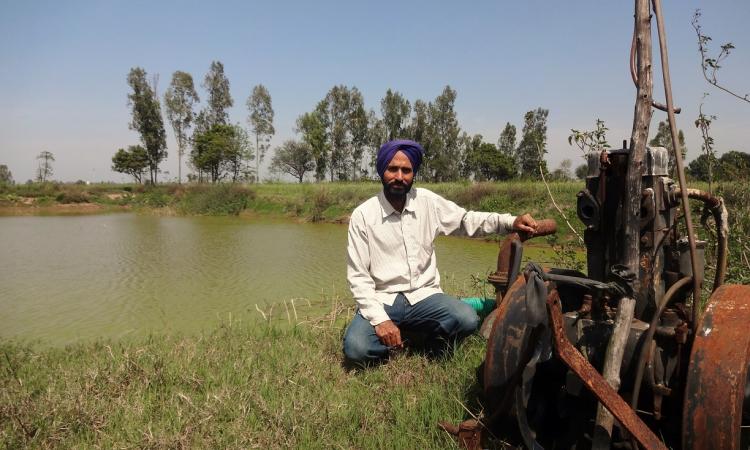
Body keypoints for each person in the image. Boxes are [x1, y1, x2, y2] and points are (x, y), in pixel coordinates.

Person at [343, 139, 538, 366]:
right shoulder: (363, 216)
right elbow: (358, 278)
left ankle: (425, 340)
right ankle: (398, 338)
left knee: (466, 318)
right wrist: (380, 320)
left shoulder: (427, 202)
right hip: (383, 298)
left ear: (413, 173)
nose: (399, 176)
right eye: (392, 169)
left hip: (424, 295)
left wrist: (510, 221)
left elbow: (467, 221)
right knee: (356, 348)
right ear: (381, 171)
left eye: (406, 170)